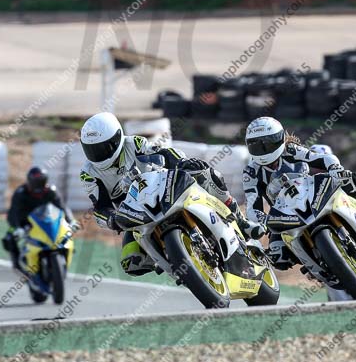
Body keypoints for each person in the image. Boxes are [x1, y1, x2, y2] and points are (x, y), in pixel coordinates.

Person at [79, 113, 263, 275]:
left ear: (117, 138)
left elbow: (163, 152)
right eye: (91, 149)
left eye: (102, 148)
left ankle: (241, 221)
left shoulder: (133, 143)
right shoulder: (88, 173)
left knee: (206, 173)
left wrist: (182, 162)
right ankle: (172, 259)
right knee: (131, 262)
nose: (97, 154)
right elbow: (100, 206)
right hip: (133, 212)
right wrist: (112, 220)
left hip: (160, 186)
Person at [242, 117, 356, 269]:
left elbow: (324, 158)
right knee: (279, 259)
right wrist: (263, 220)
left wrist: (335, 168)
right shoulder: (251, 172)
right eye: (256, 146)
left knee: (355, 180)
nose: (263, 150)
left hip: (311, 194)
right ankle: (316, 267)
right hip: (284, 214)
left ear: (279, 139)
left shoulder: (291, 150)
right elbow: (252, 206)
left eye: (267, 143)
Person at [2, 166, 75, 270]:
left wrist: (71, 220)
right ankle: (16, 263)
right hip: (23, 221)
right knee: (9, 237)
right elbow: (15, 212)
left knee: (66, 233)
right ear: (29, 181)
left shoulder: (51, 191)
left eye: (41, 182)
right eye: (35, 182)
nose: (38, 186)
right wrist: (18, 226)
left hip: (43, 219)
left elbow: (62, 207)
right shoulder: (21, 192)